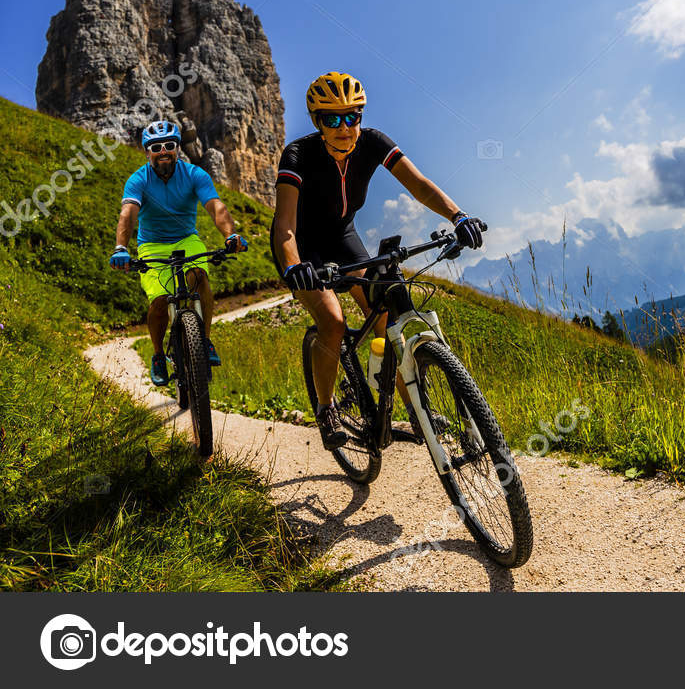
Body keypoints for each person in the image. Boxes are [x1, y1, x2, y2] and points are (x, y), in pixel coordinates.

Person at [272, 71, 483, 450]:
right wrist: (293, 266)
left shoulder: (373, 143)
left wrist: (458, 216)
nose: (344, 127)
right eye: (332, 118)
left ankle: (416, 412)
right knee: (333, 323)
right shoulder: (298, 155)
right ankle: (326, 409)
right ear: (317, 122)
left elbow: (418, 185)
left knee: (388, 317)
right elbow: (284, 223)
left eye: (353, 116)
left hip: (343, 237)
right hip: (304, 248)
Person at [110, 120, 247, 385]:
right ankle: (159, 355)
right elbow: (128, 214)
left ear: (177, 148)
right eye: (156, 147)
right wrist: (121, 248)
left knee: (200, 277)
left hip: (187, 239)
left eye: (169, 145)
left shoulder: (195, 174)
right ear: (148, 152)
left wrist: (230, 235)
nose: (163, 151)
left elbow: (215, 206)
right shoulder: (138, 179)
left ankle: (205, 341)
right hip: (152, 244)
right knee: (159, 301)